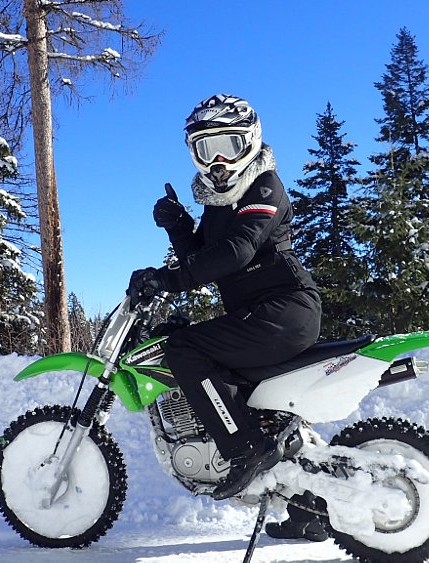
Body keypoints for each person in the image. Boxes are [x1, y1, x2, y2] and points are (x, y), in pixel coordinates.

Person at [127, 94, 326, 520]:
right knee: (256, 402)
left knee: (183, 350)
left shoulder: (265, 186)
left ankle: (245, 449)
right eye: (206, 148)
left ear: (250, 142)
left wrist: (168, 279)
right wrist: (180, 227)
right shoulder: (217, 205)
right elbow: (205, 257)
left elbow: (237, 251)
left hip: (285, 310)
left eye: (229, 145)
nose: (218, 159)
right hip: (256, 315)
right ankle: (309, 511)